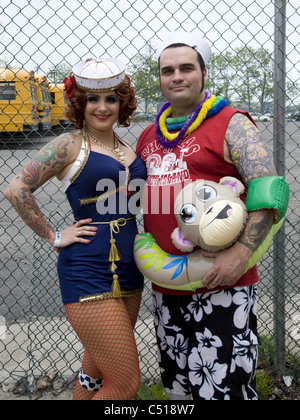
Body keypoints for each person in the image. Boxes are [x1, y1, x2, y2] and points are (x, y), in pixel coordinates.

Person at [136, 31, 287, 400]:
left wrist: (240, 254)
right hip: (167, 283)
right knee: (179, 387)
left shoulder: (232, 123)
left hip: (223, 280)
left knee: (224, 387)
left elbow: (269, 191)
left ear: (204, 73)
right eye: (167, 70)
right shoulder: (147, 137)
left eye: (187, 68)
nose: (176, 76)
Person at [4, 57, 147, 400]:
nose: (102, 107)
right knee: (125, 384)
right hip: (87, 269)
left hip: (130, 268)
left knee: (95, 371)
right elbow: (16, 189)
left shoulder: (129, 147)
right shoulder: (68, 145)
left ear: (122, 103)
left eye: (111, 98)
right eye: (92, 99)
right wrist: (54, 235)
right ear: (79, 103)